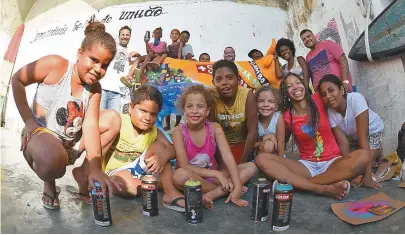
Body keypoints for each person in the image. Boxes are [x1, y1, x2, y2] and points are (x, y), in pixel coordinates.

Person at [12, 21, 121, 209]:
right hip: (39, 135)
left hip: (70, 145)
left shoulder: (95, 89)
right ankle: (49, 182)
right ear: (80, 53)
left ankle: (84, 174)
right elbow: (18, 80)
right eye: (93, 60)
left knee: (113, 119)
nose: (98, 69)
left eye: (105, 65)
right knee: (51, 161)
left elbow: (91, 125)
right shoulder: (56, 65)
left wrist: (95, 168)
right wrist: (29, 121)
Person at [255, 73, 371, 200]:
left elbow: (336, 97)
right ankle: (323, 188)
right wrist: (270, 137)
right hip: (306, 166)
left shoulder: (319, 98)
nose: (295, 87)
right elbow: (281, 141)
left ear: (304, 85)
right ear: (286, 93)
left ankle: (299, 184)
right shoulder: (287, 117)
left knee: (364, 156)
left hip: (332, 162)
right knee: (262, 159)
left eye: (298, 83)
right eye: (289, 86)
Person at [171, 84, 257, 209]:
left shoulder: (214, 128)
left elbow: (228, 157)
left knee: (251, 167)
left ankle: (216, 193)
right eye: (189, 106)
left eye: (200, 107)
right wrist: (217, 174)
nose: (194, 111)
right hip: (193, 178)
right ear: (184, 110)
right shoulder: (178, 132)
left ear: (208, 111)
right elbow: (185, 166)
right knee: (180, 175)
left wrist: (238, 187)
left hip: (213, 177)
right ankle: (223, 190)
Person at [104, 85, 185, 211]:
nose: (147, 118)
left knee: (160, 147)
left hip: (140, 170)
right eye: (143, 111)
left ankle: (170, 193)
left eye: (153, 114)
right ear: (130, 108)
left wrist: (162, 157)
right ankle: (159, 185)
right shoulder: (119, 122)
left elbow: (172, 149)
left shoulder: (154, 131)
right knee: (127, 186)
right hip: (115, 172)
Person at [318, 74, 384, 188]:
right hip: (354, 137)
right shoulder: (329, 112)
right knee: (351, 169)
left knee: (361, 166)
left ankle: (377, 151)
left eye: (331, 90)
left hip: (373, 132)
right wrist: (347, 164)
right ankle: (376, 154)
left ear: (342, 89)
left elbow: (363, 138)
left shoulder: (356, 99)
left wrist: (367, 176)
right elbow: (343, 143)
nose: (328, 96)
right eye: (324, 94)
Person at [210, 60, 258, 164]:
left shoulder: (247, 95)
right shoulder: (211, 97)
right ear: (213, 82)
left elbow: (252, 133)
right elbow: (210, 134)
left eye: (229, 78)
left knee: (250, 169)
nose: (224, 83)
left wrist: (242, 163)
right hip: (219, 150)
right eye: (218, 79)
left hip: (242, 147)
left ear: (239, 80)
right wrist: (221, 163)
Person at [99, 25, 133, 112]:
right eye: (123, 34)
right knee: (99, 117)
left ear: (130, 37)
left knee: (113, 120)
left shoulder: (131, 53)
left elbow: (130, 71)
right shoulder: (112, 47)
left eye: (127, 35)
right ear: (119, 36)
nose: (125, 37)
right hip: (103, 88)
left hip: (117, 92)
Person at [255, 86, 285, 156]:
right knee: (268, 145)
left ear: (277, 106)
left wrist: (281, 162)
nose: (265, 105)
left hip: (276, 156)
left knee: (269, 145)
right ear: (255, 103)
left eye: (271, 101)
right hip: (258, 155)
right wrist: (268, 137)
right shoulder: (254, 118)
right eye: (261, 101)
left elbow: (281, 142)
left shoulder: (278, 117)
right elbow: (252, 145)